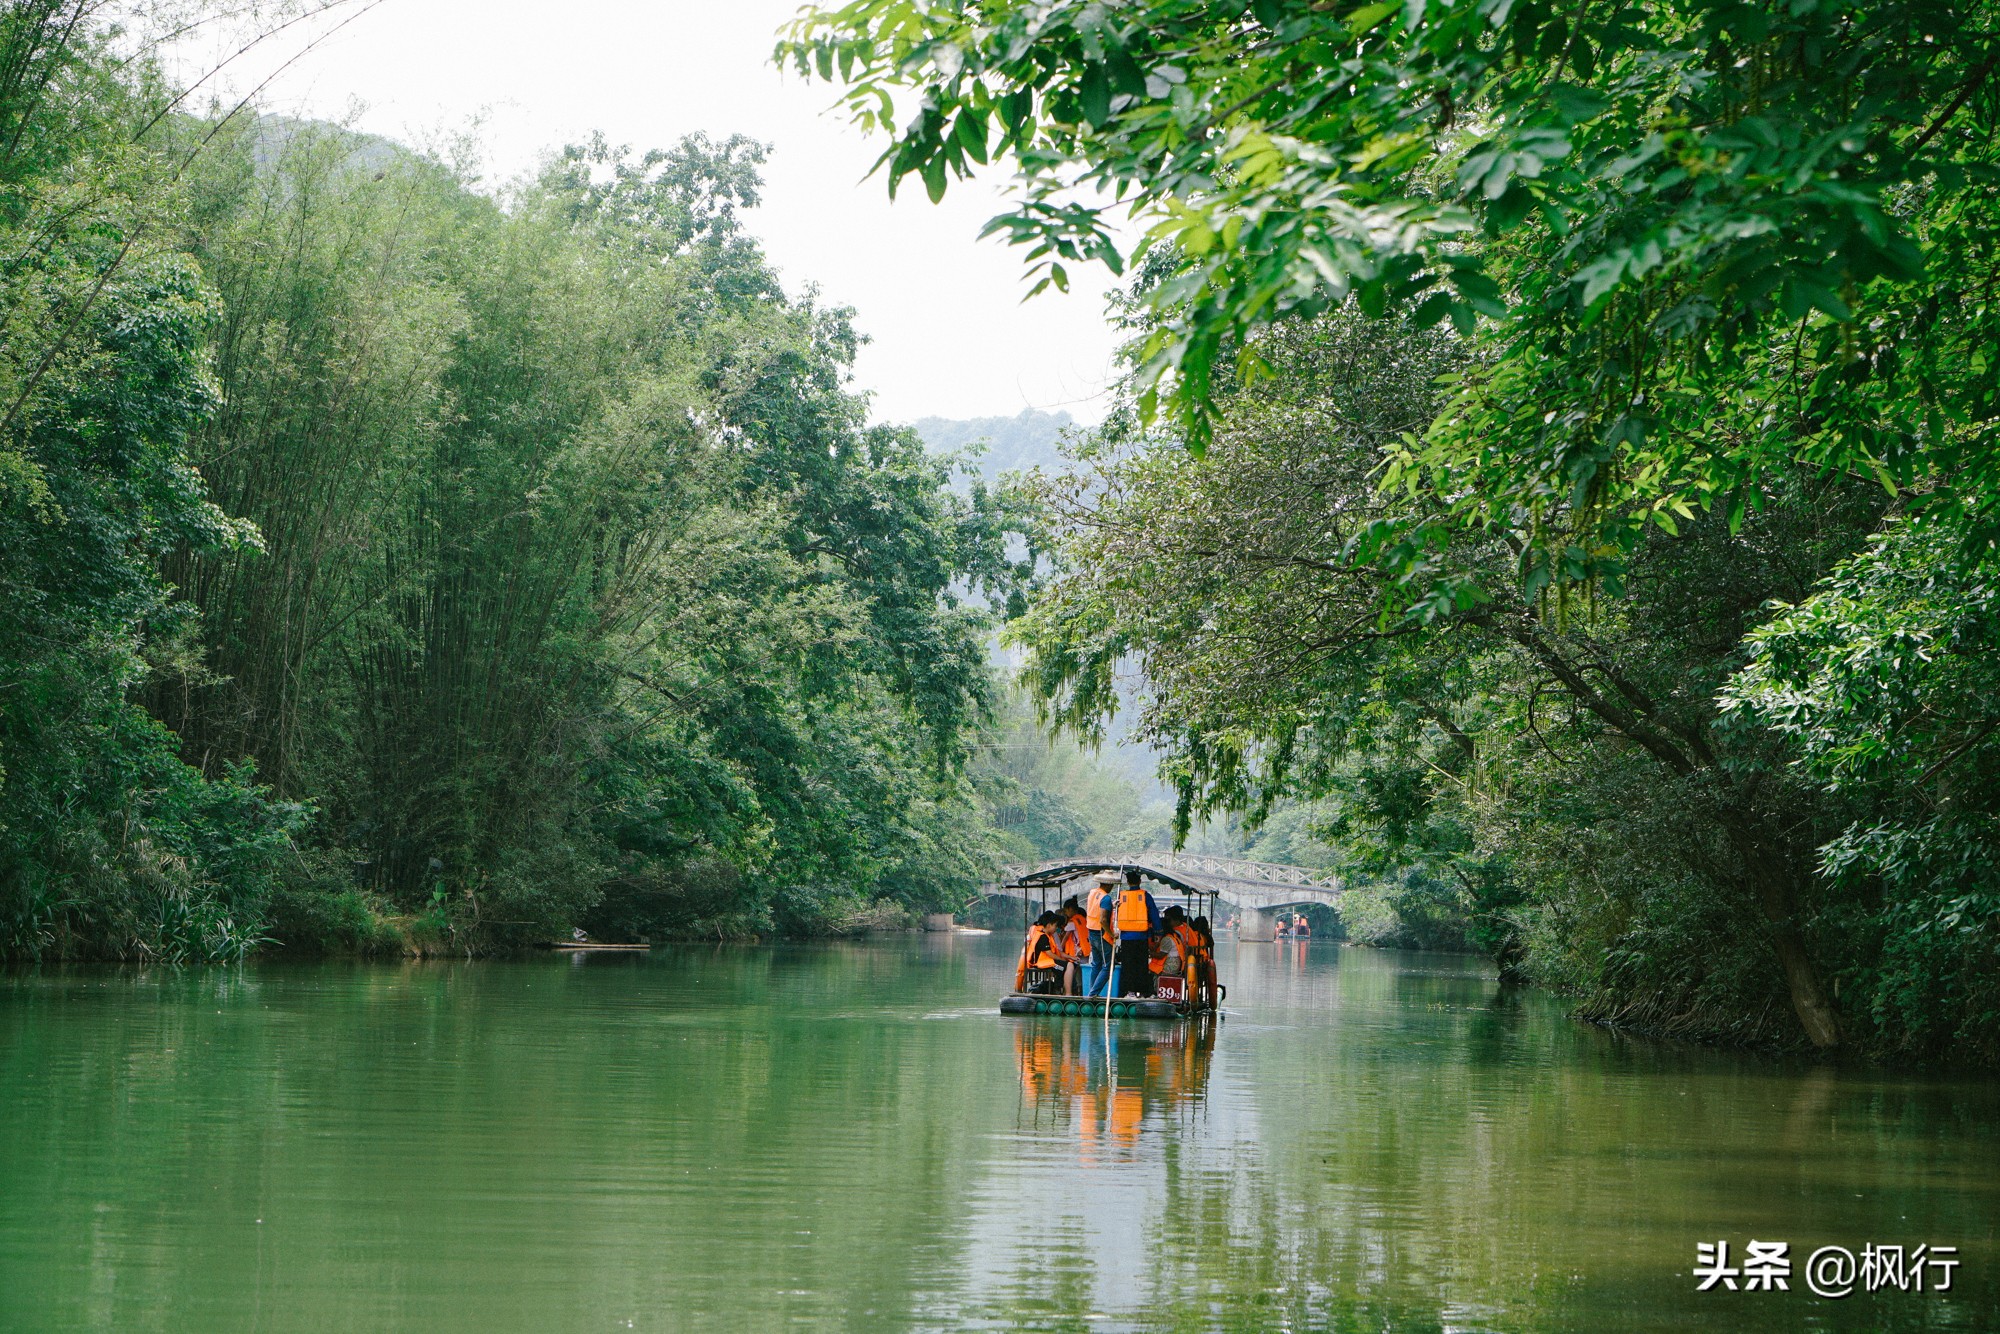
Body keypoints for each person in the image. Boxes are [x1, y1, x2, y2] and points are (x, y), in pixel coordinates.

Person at [1113, 869, 1160, 997]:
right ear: (1139, 881)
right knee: (1141, 965)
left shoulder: (1121, 896)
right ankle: (1144, 992)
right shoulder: (1145, 896)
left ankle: (1130, 992)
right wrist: (1158, 930)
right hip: (1141, 936)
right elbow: (1154, 914)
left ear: (1128, 882)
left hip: (1127, 937)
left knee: (1128, 965)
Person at [1083, 870, 1118, 997]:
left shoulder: (1093, 893)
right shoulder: (1106, 897)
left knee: (1096, 964)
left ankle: (1092, 992)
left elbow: (1097, 909)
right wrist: (1112, 934)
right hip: (1100, 933)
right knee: (1109, 966)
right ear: (1108, 885)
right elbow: (1103, 919)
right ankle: (1093, 993)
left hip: (1091, 932)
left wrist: (1112, 906)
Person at [1015, 911, 1064, 994]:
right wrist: (1061, 959)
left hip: (1033, 959)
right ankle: (1058, 989)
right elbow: (1051, 951)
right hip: (1042, 961)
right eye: (1056, 925)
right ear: (1049, 924)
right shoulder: (1044, 934)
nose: (1056, 928)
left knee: (1062, 967)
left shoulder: (1034, 930)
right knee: (1062, 968)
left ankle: (1019, 991)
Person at [1058, 896, 1091, 995]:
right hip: (1086, 950)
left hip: (1078, 952)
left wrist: (1060, 950)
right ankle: (1082, 990)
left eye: (1066, 911)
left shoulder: (1072, 921)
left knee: (1070, 967)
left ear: (1070, 909)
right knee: (1081, 971)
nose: (1065, 913)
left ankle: (1068, 991)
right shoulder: (1084, 920)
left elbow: (1066, 936)